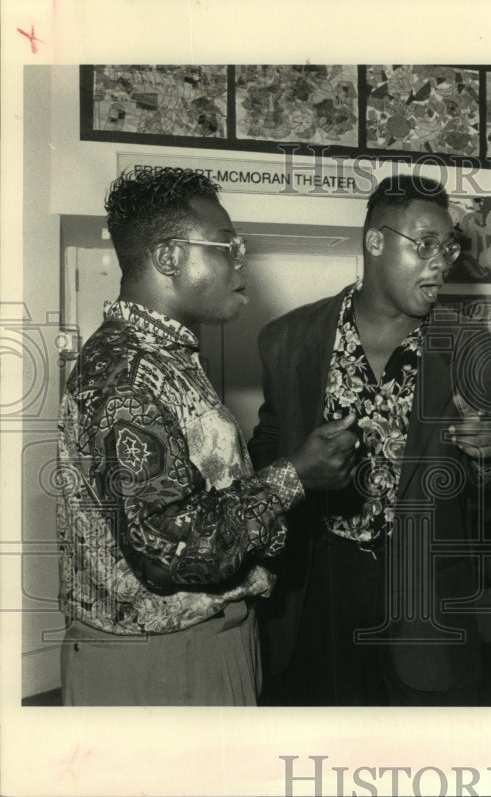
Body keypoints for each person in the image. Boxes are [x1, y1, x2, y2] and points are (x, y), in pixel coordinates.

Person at [56, 167, 356, 705]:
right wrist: (295, 475)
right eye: (226, 245)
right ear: (169, 257)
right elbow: (168, 551)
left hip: (192, 646)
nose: (241, 260)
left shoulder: (163, 359)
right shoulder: (127, 371)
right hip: (161, 662)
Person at [249, 173, 491, 706]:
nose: (442, 260)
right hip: (319, 591)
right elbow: (267, 453)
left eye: (449, 246)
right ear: (375, 242)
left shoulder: (476, 353)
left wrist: (490, 456)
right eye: (425, 245)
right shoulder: (288, 340)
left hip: (429, 602)